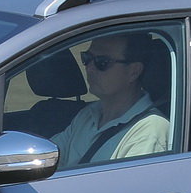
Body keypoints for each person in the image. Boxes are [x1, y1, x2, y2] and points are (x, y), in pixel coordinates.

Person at [51, 32, 170, 165]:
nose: (89, 68)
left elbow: (129, 185)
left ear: (134, 72)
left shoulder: (149, 130)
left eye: (102, 62)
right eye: (86, 58)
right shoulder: (87, 115)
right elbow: (48, 157)